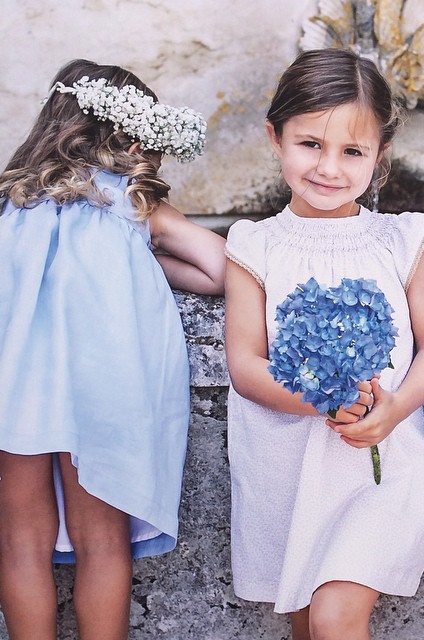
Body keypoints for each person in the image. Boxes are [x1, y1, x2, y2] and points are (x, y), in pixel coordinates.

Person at [224, 48, 424, 640]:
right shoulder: (254, 245)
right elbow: (246, 364)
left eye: (353, 150)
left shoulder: (400, 239)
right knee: (307, 625)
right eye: (310, 144)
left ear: (380, 155)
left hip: (381, 463)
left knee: (332, 620)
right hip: (288, 472)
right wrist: (319, 401)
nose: (329, 167)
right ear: (275, 137)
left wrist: (396, 407)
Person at [0, 59, 225, 639]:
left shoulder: (10, 204)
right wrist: (148, 255)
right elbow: (220, 270)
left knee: (20, 542)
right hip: (101, 395)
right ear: (126, 135)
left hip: (17, 396)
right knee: (102, 541)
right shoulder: (129, 203)